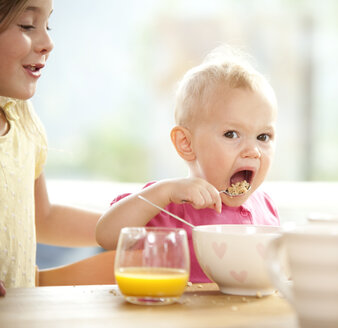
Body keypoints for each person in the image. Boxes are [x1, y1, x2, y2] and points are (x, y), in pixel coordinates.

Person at [96, 46, 280, 283]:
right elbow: (106, 236)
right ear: (186, 143)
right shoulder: (169, 205)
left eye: (263, 137)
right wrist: (164, 192)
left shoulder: (266, 208)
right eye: (232, 134)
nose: (253, 151)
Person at [0, 0, 104, 295]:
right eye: (27, 25)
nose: (48, 43)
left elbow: (41, 218)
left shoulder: (22, 116)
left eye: (48, 26)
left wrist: (131, 229)